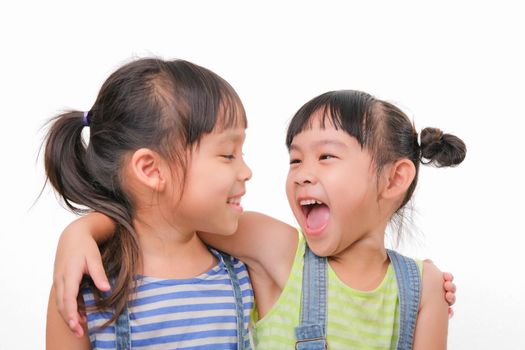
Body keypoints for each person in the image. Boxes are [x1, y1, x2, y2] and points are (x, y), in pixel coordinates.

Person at [52, 90, 461, 349]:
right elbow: (169, 212)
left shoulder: (422, 287)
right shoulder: (278, 250)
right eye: (295, 158)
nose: (302, 172)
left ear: (395, 178)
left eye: (327, 156)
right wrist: (83, 229)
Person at [44, 58, 255, 349]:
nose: (246, 172)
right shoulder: (82, 293)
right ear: (151, 170)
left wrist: (83, 229)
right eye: (228, 154)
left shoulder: (246, 270)